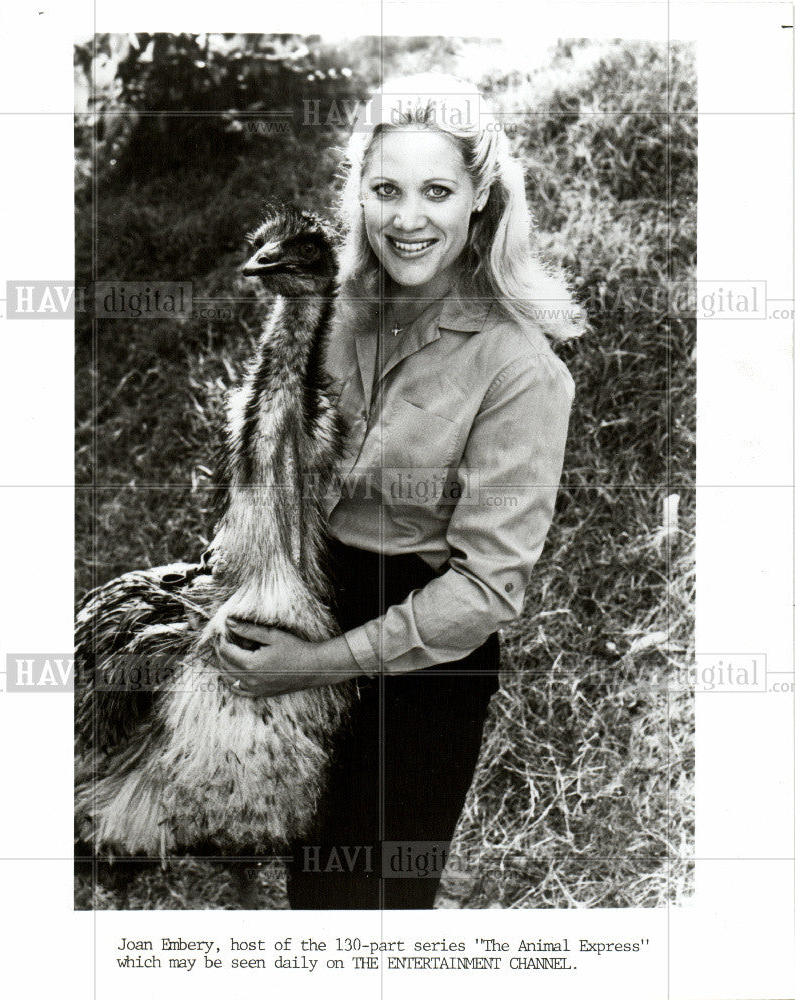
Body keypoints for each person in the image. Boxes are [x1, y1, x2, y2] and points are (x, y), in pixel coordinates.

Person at [214, 73, 583, 909]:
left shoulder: (521, 371)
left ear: (480, 198)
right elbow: (274, 463)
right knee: (315, 884)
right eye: (385, 189)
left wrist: (313, 666)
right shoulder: (331, 312)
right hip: (314, 596)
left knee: (376, 901)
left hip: (424, 655)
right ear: (359, 193)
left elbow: (485, 588)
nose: (407, 219)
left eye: (437, 192)